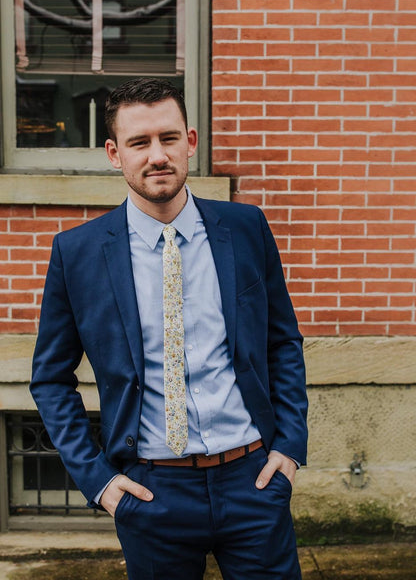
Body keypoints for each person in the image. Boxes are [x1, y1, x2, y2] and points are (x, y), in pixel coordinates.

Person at [31, 77, 308, 579]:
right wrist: (100, 482)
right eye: (140, 142)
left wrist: (288, 446)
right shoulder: (78, 254)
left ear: (191, 142)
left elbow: (282, 341)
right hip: (152, 493)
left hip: (254, 480)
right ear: (115, 153)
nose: (157, 155)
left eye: (169, 138)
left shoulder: (245, 229)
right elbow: (50, 379)